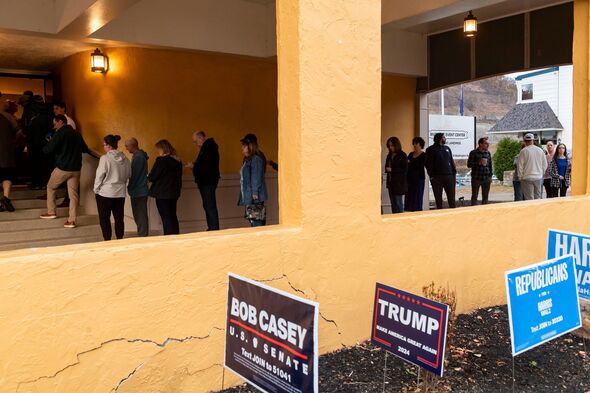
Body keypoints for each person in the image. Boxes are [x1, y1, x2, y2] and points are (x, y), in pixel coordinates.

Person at [40, 115, 90, 228]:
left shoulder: (60, 133)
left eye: (55, 123)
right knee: (73, 195)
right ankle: (71, 220)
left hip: (63, 168)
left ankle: (51, 212)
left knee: (50, 187)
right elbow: (85, 149)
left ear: (60, 121)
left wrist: (51, 141)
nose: (54, 126)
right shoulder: (76, 133)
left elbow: (47, 150)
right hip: (76, 169)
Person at [93, 135, 131, 241]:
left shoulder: (105, 158)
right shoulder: (126, 159)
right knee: (119, 218)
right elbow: (129, 174)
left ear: (108, 146)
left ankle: (107, 240)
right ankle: (120, 238)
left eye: (104, 145)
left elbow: (99, 175)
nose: (103, 147)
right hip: (120, 193)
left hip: (105, 193)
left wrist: (96, 190)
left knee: (104, 219)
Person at [148, 139, 183, 235]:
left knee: (165, 217)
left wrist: (147, 176)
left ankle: (168, 238)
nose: (157, 152)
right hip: (174, 193)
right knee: (172, 216)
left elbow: (152, 177)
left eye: (158, 149)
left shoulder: (161, 161)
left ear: (162, 149)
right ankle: (176, 236)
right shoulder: (178, 161)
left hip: (162, 193)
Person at [19, 94, 53, 189]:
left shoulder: (28, 110)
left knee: (34, 162)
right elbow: (51, 126)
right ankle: (45, 183)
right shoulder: (47, 110)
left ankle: (35, 183)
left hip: (32, 141)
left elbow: (24, 125)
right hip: (45, 141)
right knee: (44, 162)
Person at [190, 131, 220, 231]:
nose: (195, 144)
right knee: (208, 205)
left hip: (208, 182)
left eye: (195, 141)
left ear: (200, 138)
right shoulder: (208, 148)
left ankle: (214, 228)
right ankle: (212, 227)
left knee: (209, 206)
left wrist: (194, 165)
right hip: (207, 181)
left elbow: (207, 166)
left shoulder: (209, 148)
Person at [238, 133, 268, 227]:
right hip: (251, 195)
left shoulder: (256, 159)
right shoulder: (248, 159)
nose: (242, 148)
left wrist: (254, 193)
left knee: (256, 222)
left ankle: (261, 241)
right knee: (253, 221)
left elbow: (256, 177)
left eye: (244, 145)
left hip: (255, 197)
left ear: (250, 146)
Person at [125, 138, 150, 237]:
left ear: (132, 145)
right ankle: (142, 234)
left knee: (140, 215)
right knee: (140, 215)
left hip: (139, 191)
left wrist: (129, 188)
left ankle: (143, 236)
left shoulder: (138, 157)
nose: (126, 148)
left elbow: (135, 175)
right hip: (139, 190)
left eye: (127, 146)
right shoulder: (139, 155)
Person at [425, 133, 457, 209]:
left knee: (451, 196)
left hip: (449, 176)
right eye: (443, 137)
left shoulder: (447, 148)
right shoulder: (430, 149)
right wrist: (431, 175)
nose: (445, 138)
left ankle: (453, 212)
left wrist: (454, 173)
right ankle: (440, 213)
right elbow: (427, 163)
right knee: (438, 198)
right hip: (436, 177)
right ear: (439, 138)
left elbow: (451, 161)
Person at [517, 133, 547, 200]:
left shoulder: (523, 151)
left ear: (525, 141)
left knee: (529, 198)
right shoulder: (540, 150)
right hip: (538, 177)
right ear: (533, 140)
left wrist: (520, 176)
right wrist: (541, 173)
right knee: (538, 197)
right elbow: (545, 164)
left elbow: (520, 165)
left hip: (526, 177)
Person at [0, 102, 19, 212]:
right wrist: (13, 143)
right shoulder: (8, 116)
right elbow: (19, 132)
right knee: (7, 176)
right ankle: (6, 198)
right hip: (6, 153)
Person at [467, 137, 493, 206]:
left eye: (488, 143)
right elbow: (469, 165)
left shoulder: (488, 153)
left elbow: (490, 165)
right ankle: (473, 211)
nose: (487, 145)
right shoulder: (473, 153)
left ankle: (484, 211)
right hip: (476, 178)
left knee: (485, 197)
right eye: (486, 143)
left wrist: (490, 176)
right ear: (480, 144)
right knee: (475, 196)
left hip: (486, 178)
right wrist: (478, 163)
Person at [384, 137, 407, 213]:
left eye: (392, 146)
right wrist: (387, 169)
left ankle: (402, 222)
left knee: (398, 204)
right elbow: (386, 166)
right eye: (389, 146)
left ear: (396, 145)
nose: (390, 148)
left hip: (398, 184)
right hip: (390, 183)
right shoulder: (389, 155)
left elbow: (405, 169)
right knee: (393, 204)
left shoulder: (402, 155)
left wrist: (392, 170)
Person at [405, 137, 426, 212]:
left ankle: (418, 211)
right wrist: (410, 163)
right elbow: (406, 164)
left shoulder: (423, 155)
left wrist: (410, 163)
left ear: (420, 144)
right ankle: (409, 211)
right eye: (413, 143)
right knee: (409, 196)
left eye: (416, 143)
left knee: (417, 196)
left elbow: (419, 166)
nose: (414, 145)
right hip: (409, 179)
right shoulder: (410, 154)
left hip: (419, 179)